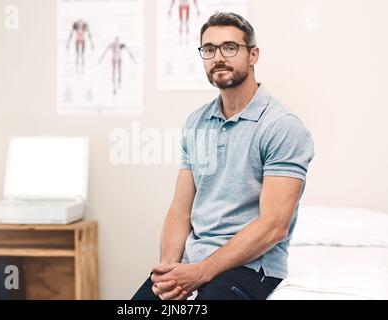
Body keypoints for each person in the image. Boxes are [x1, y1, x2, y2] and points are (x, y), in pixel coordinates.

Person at [132, 12, 314, 300]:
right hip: (193, 265)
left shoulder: (282, 126)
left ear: (253, 55)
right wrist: (170, 271)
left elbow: (274, 226)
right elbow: (180, 211)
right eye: (209, 49)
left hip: (251, 268)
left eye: (230, 48)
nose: (218, 57)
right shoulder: (197, 122)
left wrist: (201, 272)